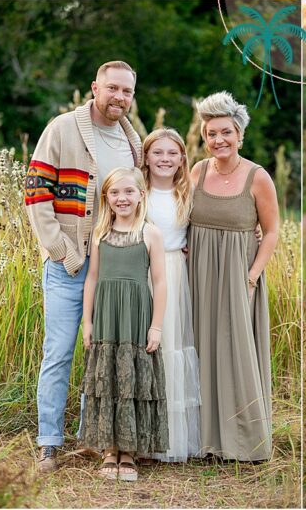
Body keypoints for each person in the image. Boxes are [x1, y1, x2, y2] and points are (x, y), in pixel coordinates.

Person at [24, 60, 144, 473]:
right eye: (113, 88)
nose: (120, 98)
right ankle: (49, 443)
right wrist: (62, 251)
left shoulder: (134, 143)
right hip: (69, 265)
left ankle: (90, 439)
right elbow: (36, 194)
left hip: (113, 265)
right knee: (58, 352)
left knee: (101, 354)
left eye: (127, 91)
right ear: (95, 87)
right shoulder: (62, 129)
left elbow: (142, 201)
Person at [189, 91, 279, 461]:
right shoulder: (196, 171)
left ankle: (243, 443)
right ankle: (203, 440)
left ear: (240, 135)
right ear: (204, 136)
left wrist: (253, 276)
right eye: (211, 134)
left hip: (239, 277)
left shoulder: (257, 178)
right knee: (201, 351)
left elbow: (271, 231)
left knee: (236, 354)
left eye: (226, 132)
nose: (218, 140)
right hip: (198, 276)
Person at [81, 167, 169, 481]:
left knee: (132, 381)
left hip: (135, 317)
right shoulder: (101, 233)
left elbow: (159, 282)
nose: (122, 198)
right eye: (115, 193)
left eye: (129, 192)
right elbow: (92, 278)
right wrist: (87, 321)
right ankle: (108, 450)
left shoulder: (150, 233)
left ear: (141, 195)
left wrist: (156, 326)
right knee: (107, 379)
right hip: (106, 316)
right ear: (106, 197)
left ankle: (129, 452)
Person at [142, 128, 202, 462]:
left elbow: (214, 223)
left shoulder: (189, 193)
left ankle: (172, 439)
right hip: (143, 273)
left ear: (182, 159)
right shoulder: (138, 192)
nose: (165, 159)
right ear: (146, 158)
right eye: (158, 153)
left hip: (176, 273)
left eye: (172, 154)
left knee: (172, 348)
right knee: (146, 348)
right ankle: (142, 436)